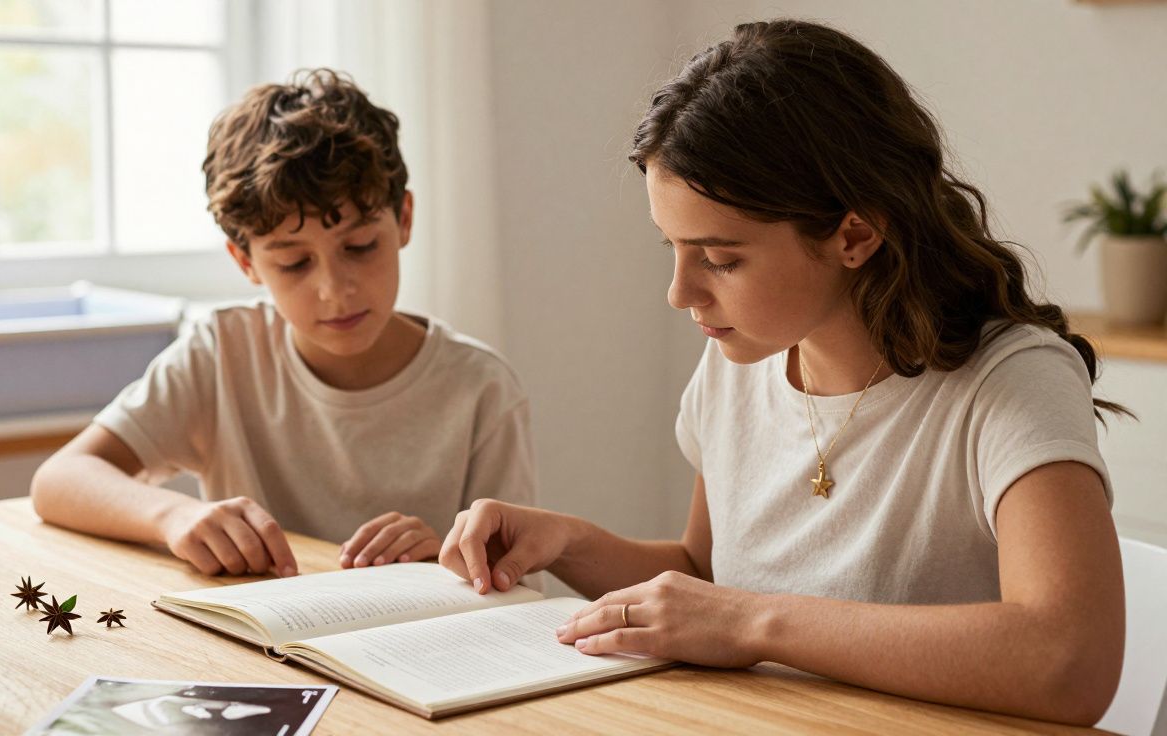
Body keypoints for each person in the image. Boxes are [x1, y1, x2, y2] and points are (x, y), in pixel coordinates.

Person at [439, 20, 1126, 726]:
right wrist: (571, 544)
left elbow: (1070, 660)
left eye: (721, 259)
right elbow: (709, 578)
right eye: (672, 248)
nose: (680, 293)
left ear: (854, 235)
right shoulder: (741, 359)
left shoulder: (1011, 382)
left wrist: (753, 624)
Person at [32, 69, 536, 579]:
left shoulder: (481, 389)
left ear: (403, 219)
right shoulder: (222, 353)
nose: (334, 290)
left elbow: (516, 594)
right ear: (245, 261)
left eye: (360, 247)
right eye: (294, 263)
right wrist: (174, 515)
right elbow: (59, 478)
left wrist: (437, 568)